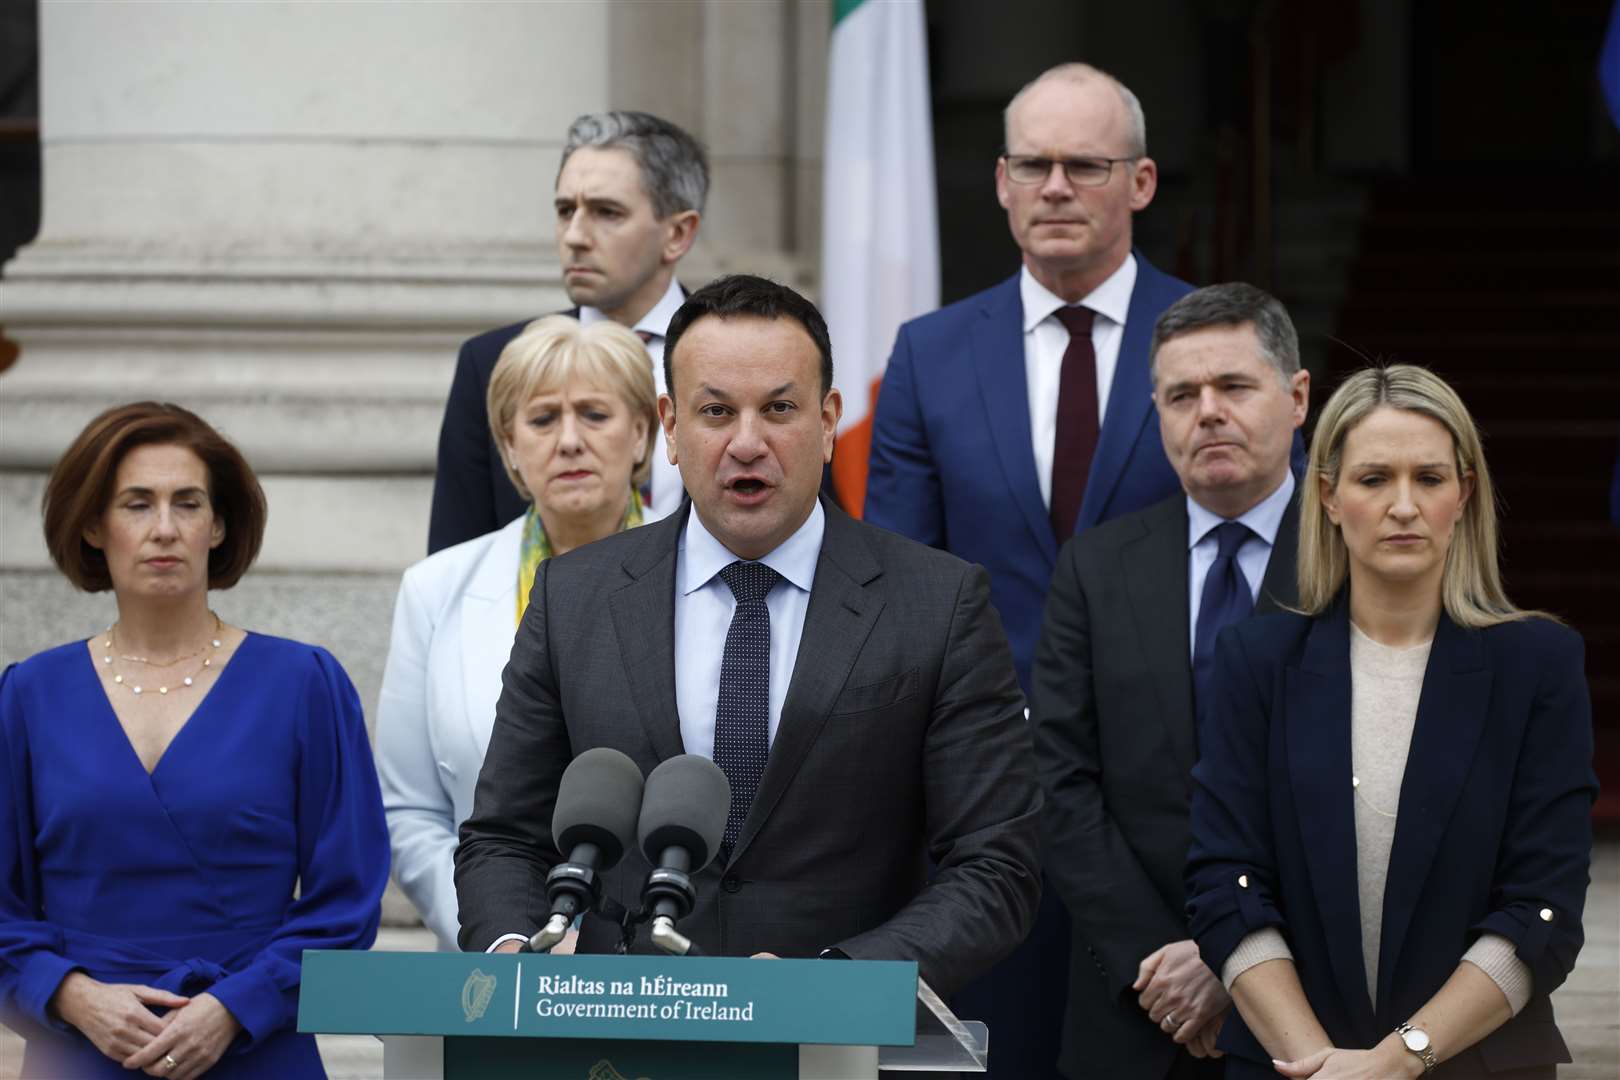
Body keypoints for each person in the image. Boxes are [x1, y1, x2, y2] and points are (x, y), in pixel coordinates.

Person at [453, 275, 1042, 997]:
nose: (747, 442)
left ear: (828, 421)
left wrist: (833, 987)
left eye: (780, 409)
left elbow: (996, 864)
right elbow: (503, 836)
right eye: (715, 411)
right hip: (619, 1041)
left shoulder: (939, 604)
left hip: (846, 1052)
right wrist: (516, 945)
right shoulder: (574, 597)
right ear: (669, 427)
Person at [865, 61, 1195, 1076]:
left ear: (1139, 183)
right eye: (1032, 165)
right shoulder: (929, 353)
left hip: (1164, 802)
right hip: (984, 804)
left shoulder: (1212, 341)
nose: (1055, 187)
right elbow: (899, 582)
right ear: (1001, 183)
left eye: (1083, 166)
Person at [1186, 365, 1596, 1079]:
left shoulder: (1539, 665)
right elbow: (1226, 884)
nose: (1403, 505)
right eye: (1374, 479)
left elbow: (1541, 908)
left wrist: (1397, 1062)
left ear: (1463, 495)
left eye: (1429, 479)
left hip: (1478, 1065)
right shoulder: (1256, 661)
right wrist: (1319, 1065)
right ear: (1329, 495)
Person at [0, 402, 389, 1079]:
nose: (164, 529)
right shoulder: (28, 695)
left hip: (256, 1047)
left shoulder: (304, 684)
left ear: (218, 526)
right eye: (136, 504)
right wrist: (74, 996)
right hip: (81, 1054)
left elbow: (347, 900)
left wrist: (236, 1007)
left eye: (187, 504)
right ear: (94, 525)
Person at [1033, 284, 1310, 1080]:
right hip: (1135, 1003)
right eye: (1182, 395)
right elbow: (1059, 779)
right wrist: (1158, 958)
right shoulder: (1094, 567)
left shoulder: (1356, 559)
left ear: (1295, 399)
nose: (1208, 412)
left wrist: (1235, 958)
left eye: (1234, 387)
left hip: (1310, 1006)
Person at [377, 315, 661, 950]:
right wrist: (503, 932)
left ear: (642, 434)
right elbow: (411, 812)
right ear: (508, 447)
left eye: (595, 414)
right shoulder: (435, 589)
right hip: (501, 970)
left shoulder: (719, 575)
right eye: (541, 420)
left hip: (674, 971)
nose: (569, 441)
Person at [429, 110, 707, 553]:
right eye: (565, 211)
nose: (575, 235)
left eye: (606, 212)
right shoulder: (491, 362)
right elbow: (458, 570)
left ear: (677, 234)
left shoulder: (744, 360)